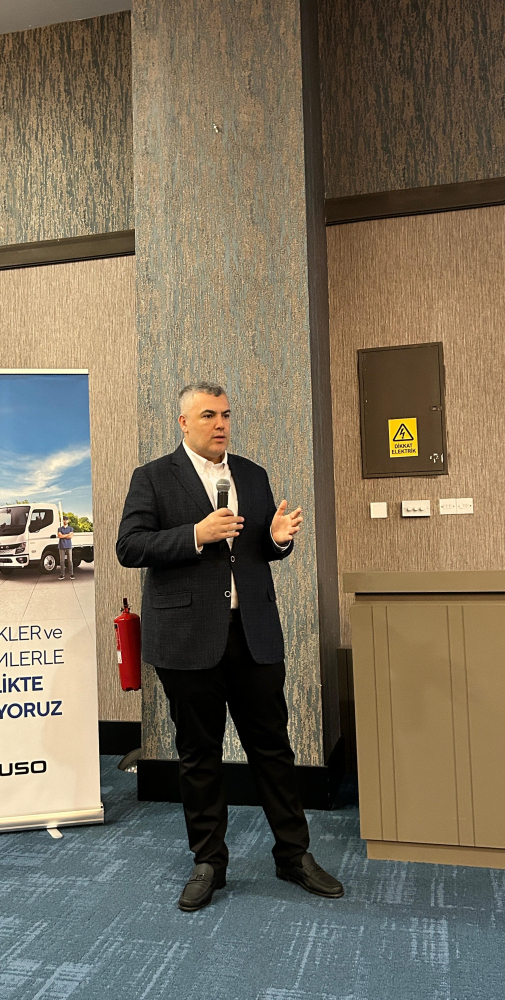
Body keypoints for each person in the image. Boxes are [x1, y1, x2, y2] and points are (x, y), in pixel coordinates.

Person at [116, 382, 343, 912]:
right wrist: (196, 534)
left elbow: (258, 549)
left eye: (225, 415)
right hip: (187, 639)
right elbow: (130, 546)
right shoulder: (153, 477)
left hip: (253, 634)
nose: (220, 424)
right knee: (199, 755)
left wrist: (278, 538)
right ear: (183, 422)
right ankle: (208, 862)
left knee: (274, 750)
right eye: (208, 415)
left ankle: (293, 855)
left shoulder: (252, 474)